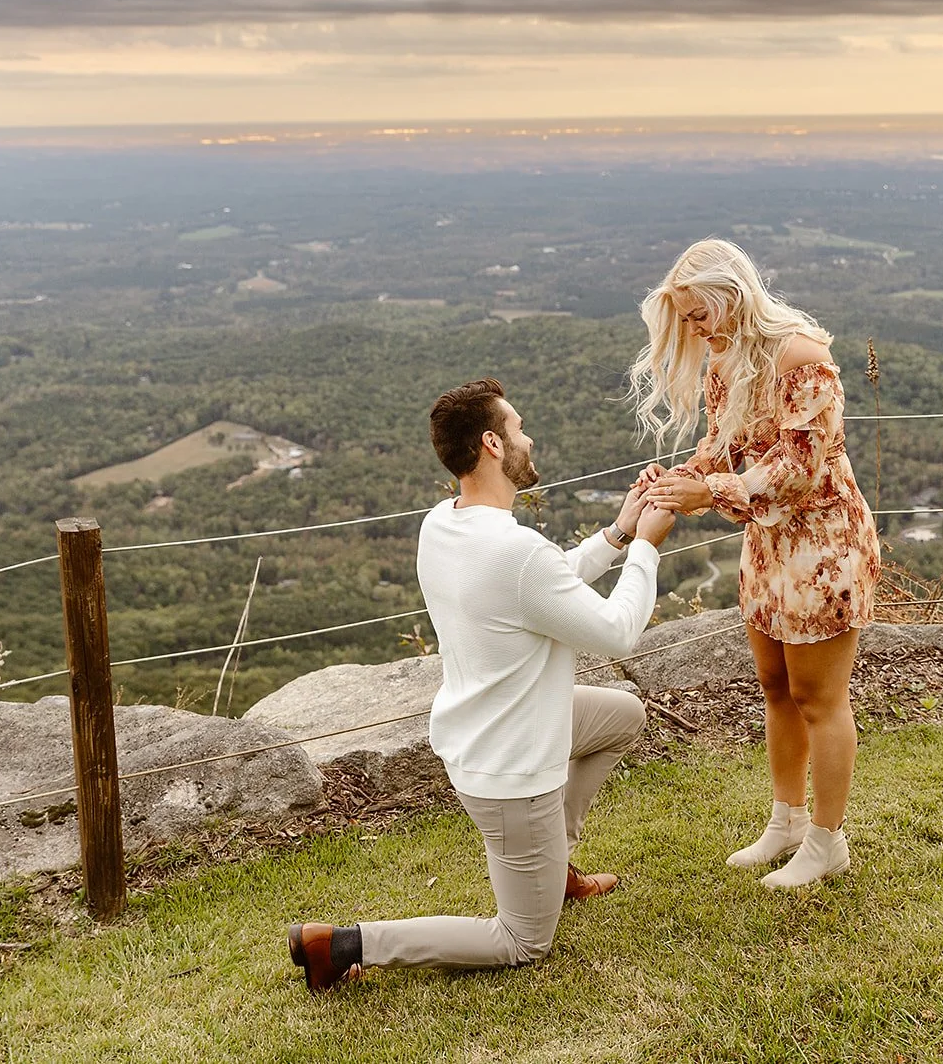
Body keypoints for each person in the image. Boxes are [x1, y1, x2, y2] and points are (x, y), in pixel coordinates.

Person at [287, 377, 676, 992]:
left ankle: (556, 863)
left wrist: (619, 533)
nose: (530, 438)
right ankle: (343, 944)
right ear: (493, 444)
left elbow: (541, 590)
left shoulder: (444, 524)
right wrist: (649, 549)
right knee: (523, 941)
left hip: (492, 730)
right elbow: (616, 631)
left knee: (623, 714)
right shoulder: (515, 550)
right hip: (510, 770)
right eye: (520, 429)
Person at [632, 239, 880, 889]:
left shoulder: (804, 358)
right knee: (775, 685)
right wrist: (681, 477)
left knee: (819, 696)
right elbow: (722, 442)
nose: (694, 329)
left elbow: (799, 468)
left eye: (696, 314)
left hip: (823, 544)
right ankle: (787, 820)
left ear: (730, 295)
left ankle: (828, 840)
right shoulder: (726, 360)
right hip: (768, 546)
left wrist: (708, 493)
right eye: (685, 319)